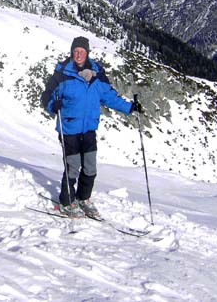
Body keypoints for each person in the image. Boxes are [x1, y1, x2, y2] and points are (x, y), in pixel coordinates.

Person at [41, 36, 142, 218]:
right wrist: (52, 106)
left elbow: (109, 97)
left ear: (87, 53)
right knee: (73, 167)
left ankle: (83, 198)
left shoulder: (97, 75)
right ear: (72, 52)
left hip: (88, 129)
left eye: (82, 51)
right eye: (75, 51)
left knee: (90, 167)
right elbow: (47, 96)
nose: (78, 54)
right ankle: (67, 201)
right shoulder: (62, 74)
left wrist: (129, 107)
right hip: (69, 128)